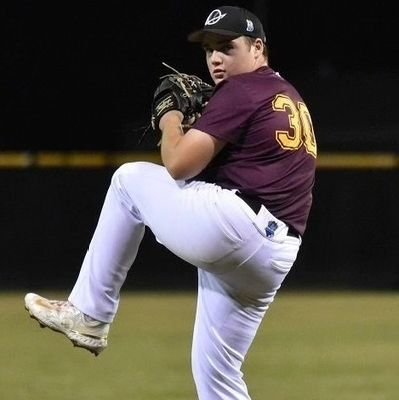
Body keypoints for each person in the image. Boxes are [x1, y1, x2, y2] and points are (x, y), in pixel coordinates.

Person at [24, 5, 317, 399]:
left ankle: (90, 315)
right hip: (275, 253)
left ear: (258, 48)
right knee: (217, 378)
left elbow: (178, 165)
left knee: (128, 180)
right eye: (209, 48)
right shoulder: (286, 93)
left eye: (227, 47)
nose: (215, 58)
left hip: (237, 226)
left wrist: (170, 116)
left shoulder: (244, 88)